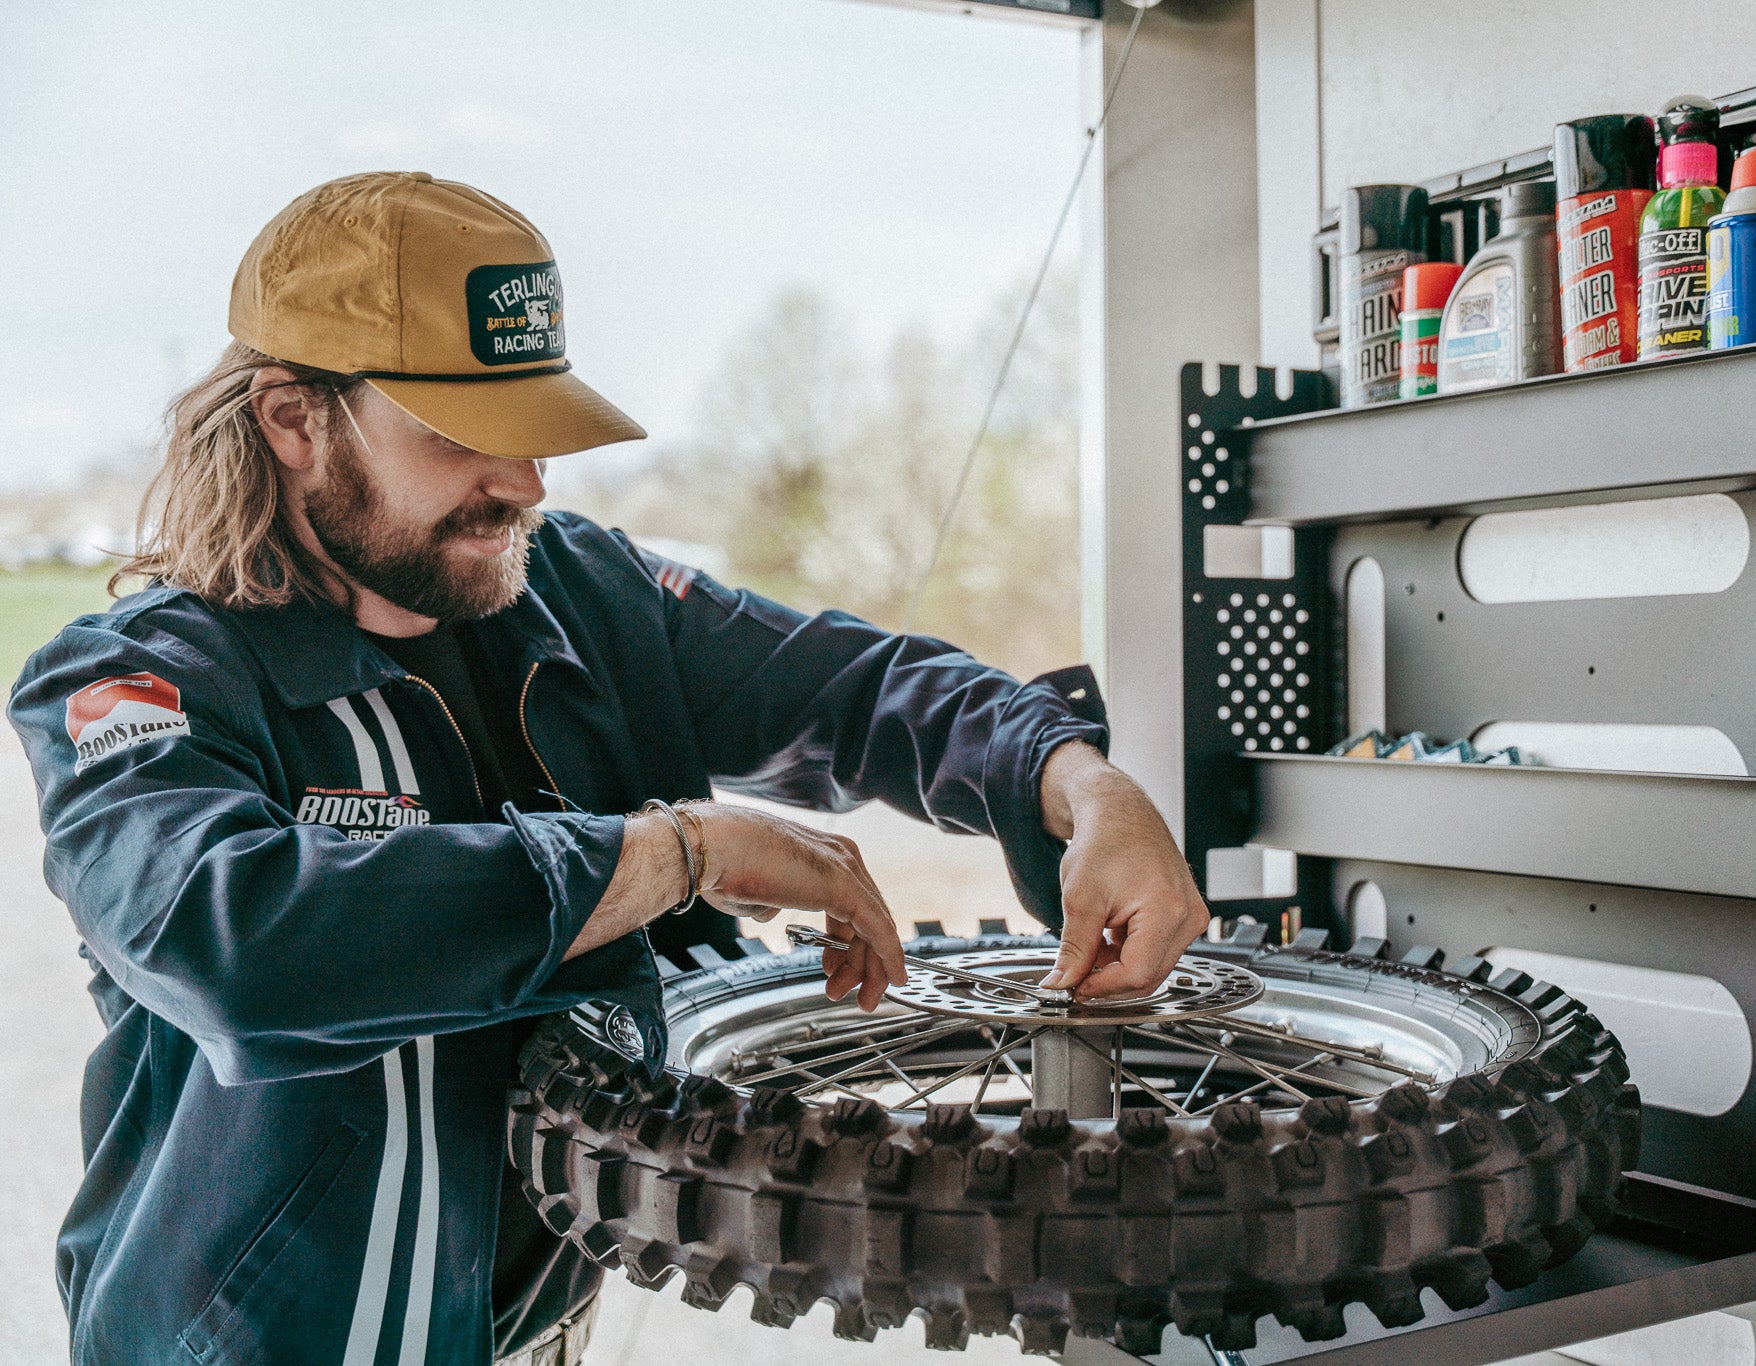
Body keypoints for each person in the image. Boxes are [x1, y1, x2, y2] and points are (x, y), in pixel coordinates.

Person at [9, 172, 1210, 1366]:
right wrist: (678, 852)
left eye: (536, 430)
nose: (526, 483)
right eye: (465, 435)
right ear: (293, 420)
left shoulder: (579, 591)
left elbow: (859, 688)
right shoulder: (133, 680)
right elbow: (240, 942)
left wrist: (1079, 782)